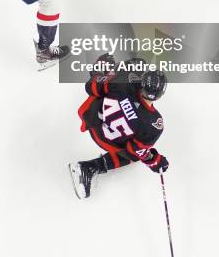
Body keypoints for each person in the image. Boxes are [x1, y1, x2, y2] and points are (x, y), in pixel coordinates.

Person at [69, 61, 169, 199]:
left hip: (91, 120)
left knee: (103, 88)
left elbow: (90, 87)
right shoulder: (154, 124)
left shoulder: (122, 81)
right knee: (134, 154)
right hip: (107, 141)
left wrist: (101, 75)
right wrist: (155, 161)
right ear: (160, 94)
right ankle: (92, 167)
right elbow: (137, 151)